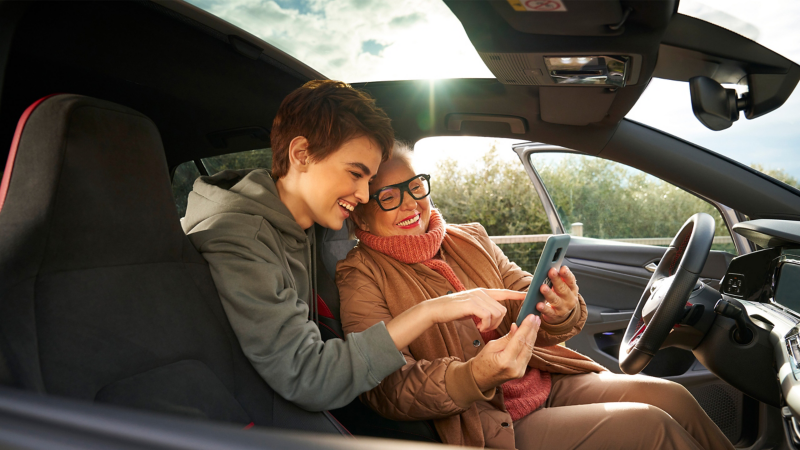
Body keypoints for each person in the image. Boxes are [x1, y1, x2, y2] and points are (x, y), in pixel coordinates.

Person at [336, 142, 736, 450]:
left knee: (671, 396)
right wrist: (475, 374)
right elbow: (385, 388)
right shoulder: (360, 274)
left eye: (415, 186)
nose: (410, 202)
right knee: (649, 425)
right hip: (489, 417)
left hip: (546, 382)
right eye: (389, 196)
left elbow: (527, 295)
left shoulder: (470, 238)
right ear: (360, 212)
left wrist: (561, 309)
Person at [181, 80, 531, 412]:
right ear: (301, 154)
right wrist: (430, 310)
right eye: (355, 174)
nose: (364, 195)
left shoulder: (299, 224)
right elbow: (308, 377)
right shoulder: (242, 238)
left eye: (368, 179)